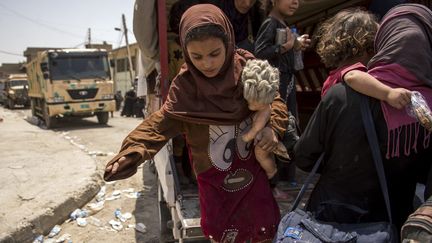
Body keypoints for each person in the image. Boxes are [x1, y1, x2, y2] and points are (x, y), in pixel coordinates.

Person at [104, 4, 289, 242]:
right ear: (185, 52)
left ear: (229, 44)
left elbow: (274, 101)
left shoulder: (248, 71)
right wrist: (132, 151)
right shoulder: (185, 89)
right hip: (213, 183)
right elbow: (158, 126)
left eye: (215, 54)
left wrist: (272, 129)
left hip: (253, 178)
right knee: (222, 233)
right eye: (197, 57)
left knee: (262, 228)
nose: (207, 64)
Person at [297, 5, 432, 229]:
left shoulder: (341, 93)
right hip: (392, 221)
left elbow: (304, 157)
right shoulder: (423, 108)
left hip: (333, 218)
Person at [254, 0, 310, 118]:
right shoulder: (270, 23)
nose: (295, 2)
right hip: (277, 84)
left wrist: (296, 46)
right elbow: (260, 52)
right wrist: (287, 46)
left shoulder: (284, 24)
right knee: (279, 119)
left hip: (287, 82)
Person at [241, 59, 289, 178]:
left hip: (261, 137)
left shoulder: (265, 110)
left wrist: (246, 137)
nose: (251, 107)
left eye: (254, 105)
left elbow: (253, 132)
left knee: (261, 153)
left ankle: (271, 172)